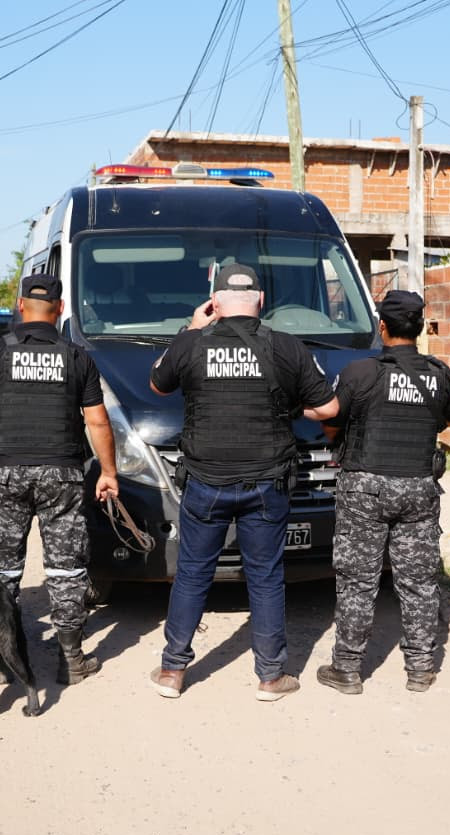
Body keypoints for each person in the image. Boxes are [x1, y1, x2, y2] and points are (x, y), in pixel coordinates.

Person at [148, 263, 339, 701]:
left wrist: (191, 328)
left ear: (214, 303)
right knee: (266, 576)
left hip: (205, 481)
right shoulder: (286, 346)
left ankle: (172, 671)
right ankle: (271, 677)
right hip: (267, 482)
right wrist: (289, 408)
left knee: (192, 573)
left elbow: (158, 384)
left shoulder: (191, 343)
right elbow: (329, 409)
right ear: (262, 301)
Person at [0, 274, 119, 685]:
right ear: (60, 308)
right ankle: (71, 658)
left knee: (1, 570)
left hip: (7, 472)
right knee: (66, 569)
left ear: (20, 305)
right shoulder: (76, 356)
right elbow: (97, 421)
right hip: (62, 473)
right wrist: (108, 472)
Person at [316, 291, 450, 695]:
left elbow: (332, 421)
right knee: (419, 581)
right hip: (418, 487)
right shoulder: (439, 373)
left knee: (357, 581)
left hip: (364, 489)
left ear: (381, 326)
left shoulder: (360, 372)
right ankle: (420, 669)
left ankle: (347, 669)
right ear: (419, 328)